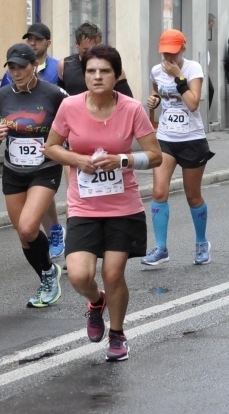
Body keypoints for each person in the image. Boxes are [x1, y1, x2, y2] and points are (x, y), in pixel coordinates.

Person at [44, 44, 162, 361]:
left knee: (113, 274)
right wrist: (78, 160)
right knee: (79, 275)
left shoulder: (132, 109)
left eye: (104, 71)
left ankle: (118, 332)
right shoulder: (70, 107)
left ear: (116, 75)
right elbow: (51, 148)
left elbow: (155, 155)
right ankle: (96, 302)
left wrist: (122, 160)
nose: (97, 77)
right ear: (84, 76)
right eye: (91, 71)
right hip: (84, 205)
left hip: (123, 206)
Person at [0, 43, 67, 308]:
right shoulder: (1, 96)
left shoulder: (54, 94)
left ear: (34, 66)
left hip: (44, 169)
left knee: (28, 226)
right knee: (23, 234)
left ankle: (48, 275)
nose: (16, 72)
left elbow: (73, 125)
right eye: (12, 67)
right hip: (13, 170)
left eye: (21, 67)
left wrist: (64, 148)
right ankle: (47, 273)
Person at [143, 29, 216, 267]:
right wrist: (153, 100)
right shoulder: (155, 70)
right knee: (159, 192)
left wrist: (178, 77)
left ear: (183, 49)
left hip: (192, 139)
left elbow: (194, 104)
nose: (168, 57)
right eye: (165, 52)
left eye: (173, 53)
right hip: (166, 138)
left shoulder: (193, 68)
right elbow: (156, 94)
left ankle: (202, 243)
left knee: (193, 196)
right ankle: (161, 248)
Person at [0, 23, 66, 259]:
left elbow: (70, 110)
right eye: (30, 39)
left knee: (32, 215)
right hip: (16, 162)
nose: (33, 42)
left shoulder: (57, 70)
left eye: (37, 39)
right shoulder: (7, 84)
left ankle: (55, 230)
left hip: (47, 157)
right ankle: (46, 265)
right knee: (24, 229)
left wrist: (59, 146)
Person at [59, 22, 133, 97]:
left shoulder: (112, 67)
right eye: (86, 50)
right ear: (77, 44)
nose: (91, 53)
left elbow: (127, 101)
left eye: (95, 48)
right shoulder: (64, 65)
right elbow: (59, 97)